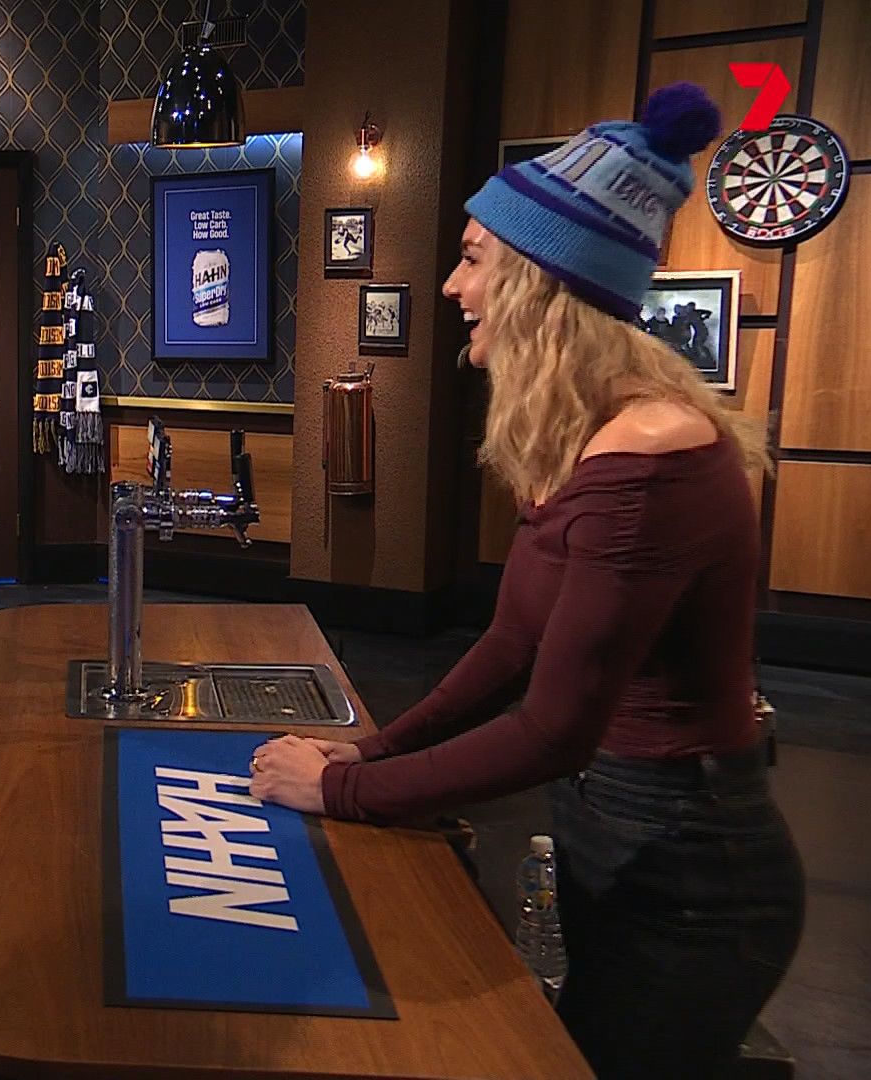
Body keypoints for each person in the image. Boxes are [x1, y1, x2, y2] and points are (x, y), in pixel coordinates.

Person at [248, 84, 803, 1079]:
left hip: (690, 873)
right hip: (620, 834)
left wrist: (343, 790)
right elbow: (510, 648)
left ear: (543, 283)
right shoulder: (592, 437)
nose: (451, 286)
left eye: (472, 259)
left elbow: (554, 730)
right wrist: (372, 751)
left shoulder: (652, 458)